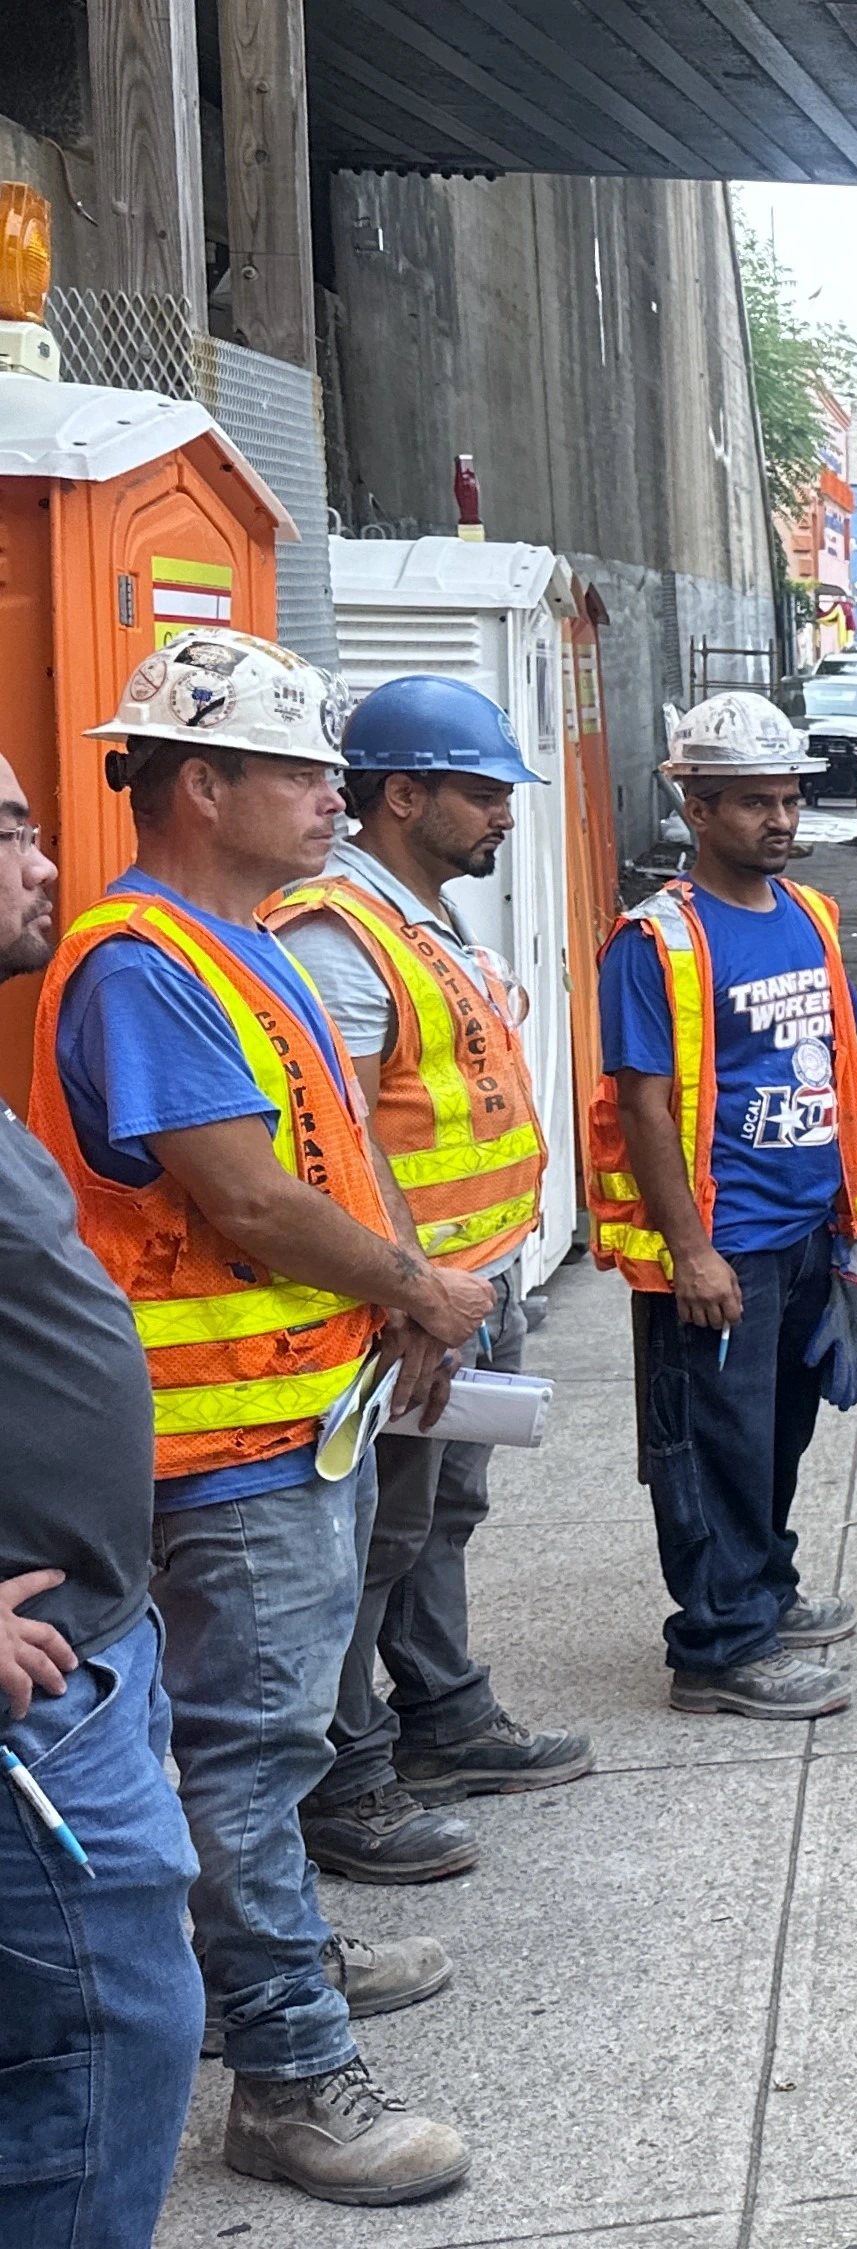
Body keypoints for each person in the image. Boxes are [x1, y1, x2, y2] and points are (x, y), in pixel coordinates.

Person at [30, 630, 484, 2208]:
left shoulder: (242, 937)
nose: (332, 794)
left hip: (291, 1413)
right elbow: (243, 1195)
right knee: (241, 1746)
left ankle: (276, 1963)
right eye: (299, 769)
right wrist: (416, 1291)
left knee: (267, 1737)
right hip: (221, 1440)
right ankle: (287, 2074)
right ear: (198, 781)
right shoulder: (147, 959)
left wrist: (387, 1308)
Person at [269, 675, 595, 1885]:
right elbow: (342, 1141)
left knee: (436, 1516)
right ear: (399, 795)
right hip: (410, 1302)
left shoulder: (417, 918)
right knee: (375, 1535)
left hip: (468, 1282)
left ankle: (444, 1711)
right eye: (480, 792)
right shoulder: (337, 933)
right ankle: (347, 1778)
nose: (502, 815)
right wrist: (417, 1292)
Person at [592, 692, 857, 1719]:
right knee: (710, 1443)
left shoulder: (808, 917)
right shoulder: (655, 941)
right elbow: (639, 1102)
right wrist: (691, 1250)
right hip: (726, 1243)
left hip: (808, 1230)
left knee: (777, 1435)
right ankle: (718, 1645)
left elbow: (831, 1068)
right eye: (753, 803)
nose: (779, 820)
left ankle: (761, 1588)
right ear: (696, 807)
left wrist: (847, 1217)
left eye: (788, 799)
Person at [0, 756, 205, 2248]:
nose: (43, 856)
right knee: (107, 2036)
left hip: (86, 1654)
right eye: (6, 830)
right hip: (34, 1697)